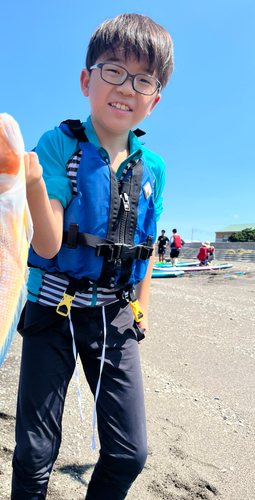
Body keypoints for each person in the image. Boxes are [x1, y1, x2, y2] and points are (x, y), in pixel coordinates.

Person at [12, 13, 174, 500]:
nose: (126, 87)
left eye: (143, 79)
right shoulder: (60, 144)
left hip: (115, 313)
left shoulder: (155, 167)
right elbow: (46, 245)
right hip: (52, 311)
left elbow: (144, 253)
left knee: (129, 453)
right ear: (87, 80)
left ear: (155, 98)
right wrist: (35, 183)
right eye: (113, 71)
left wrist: (142, 305)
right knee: (35, 450)